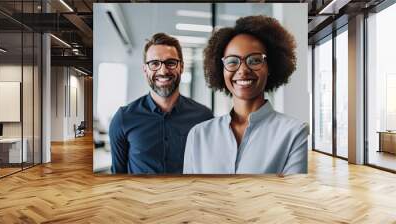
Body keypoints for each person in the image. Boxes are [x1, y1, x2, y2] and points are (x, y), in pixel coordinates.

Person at [183, 15, 308, 175]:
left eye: (255, 60)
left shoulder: (295, 133)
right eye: (232, 61)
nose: (242, 70)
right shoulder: (198, 135)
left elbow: (291, 197)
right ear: (221, 70)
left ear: (270, 67)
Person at [109, 33, 213, 174]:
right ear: (145, 69)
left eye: (170, 63)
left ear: (181, 67)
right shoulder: (123, 119)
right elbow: (117, 177)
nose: (163, 71)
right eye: (154, 63)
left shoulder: (204, 117)